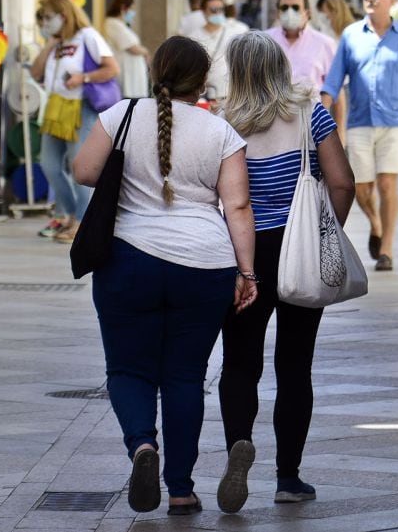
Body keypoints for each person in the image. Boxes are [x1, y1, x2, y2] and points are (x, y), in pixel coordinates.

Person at [73, 36, 257, 516]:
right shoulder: (220, 132)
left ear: (156, 71)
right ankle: (180, 489)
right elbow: (237, 204)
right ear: (201, 81)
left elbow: (83, 170)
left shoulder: (122, 115)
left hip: (129, 259)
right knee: (184, 376)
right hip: (205, 264)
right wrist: (247, 272)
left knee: (128, 369)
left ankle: (141, 447)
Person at [217, 31, 355, 513]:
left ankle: (238, 444)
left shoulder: (223, 121)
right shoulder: (309, 115)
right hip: (298, 253)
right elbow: (341, 182)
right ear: (280, 66)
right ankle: (289, 478)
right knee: (295, 365)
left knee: (238, 362)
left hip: (243, 258)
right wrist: (324, 234)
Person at [320, 0, 398, 272]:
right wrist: (321, 108)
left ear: (390, 1)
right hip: (361, 120)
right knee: (360, 188)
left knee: (387, 184)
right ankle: (375, 224)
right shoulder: (351, 36)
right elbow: (334, 79)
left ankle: (386, 248)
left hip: (395, 121)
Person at [30, 0, 120, 243]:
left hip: (81, 106)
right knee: (49, 163)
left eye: (49, 17)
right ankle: (71, 213)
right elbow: (35, 72)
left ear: (64, 15)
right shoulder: (57, 43)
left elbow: (111, 68)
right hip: (55, 107)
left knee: (80, 166)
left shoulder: (88, 36)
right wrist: (50, 44)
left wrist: (83, 78)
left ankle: (82, 221)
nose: (45, 23)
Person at [265, 0, 337, 94]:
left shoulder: (325, 44)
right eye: (284, 8)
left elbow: (334, 88)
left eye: (295, 7)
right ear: (278, 14)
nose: (290, 12)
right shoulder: (264, 41)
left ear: (307, 13)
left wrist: (324, 109)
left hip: (311, 109)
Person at [189, 0, 237, 107]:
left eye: (221, 9)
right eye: (213, 9)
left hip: (229, 94)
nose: (218, 13)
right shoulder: (193, 36)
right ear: (203, 11)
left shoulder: (234, 33)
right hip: (203, 95)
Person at [103, 0, 150, 99]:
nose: (133, 13)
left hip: (134, 78)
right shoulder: (112, 23)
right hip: (127, 79)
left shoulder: (122, 25)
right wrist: (145, 51)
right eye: (132, 9)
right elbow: (132, 48)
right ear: (123, 8)